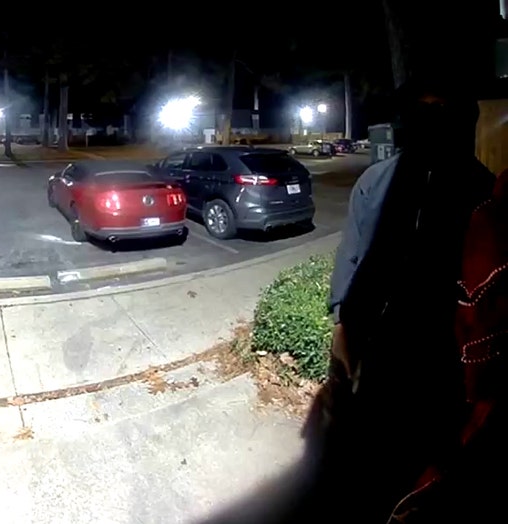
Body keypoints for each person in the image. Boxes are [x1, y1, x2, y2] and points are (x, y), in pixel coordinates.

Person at [197, 75, 495, 523]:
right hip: (381, 348)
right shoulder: (377, 180)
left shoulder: (480, 187)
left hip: (443, 354)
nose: (430, 122)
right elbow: (351, 255)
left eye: (441, 111)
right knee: (370, 460)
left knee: (431, 464)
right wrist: (342, 332)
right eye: (420, 111)